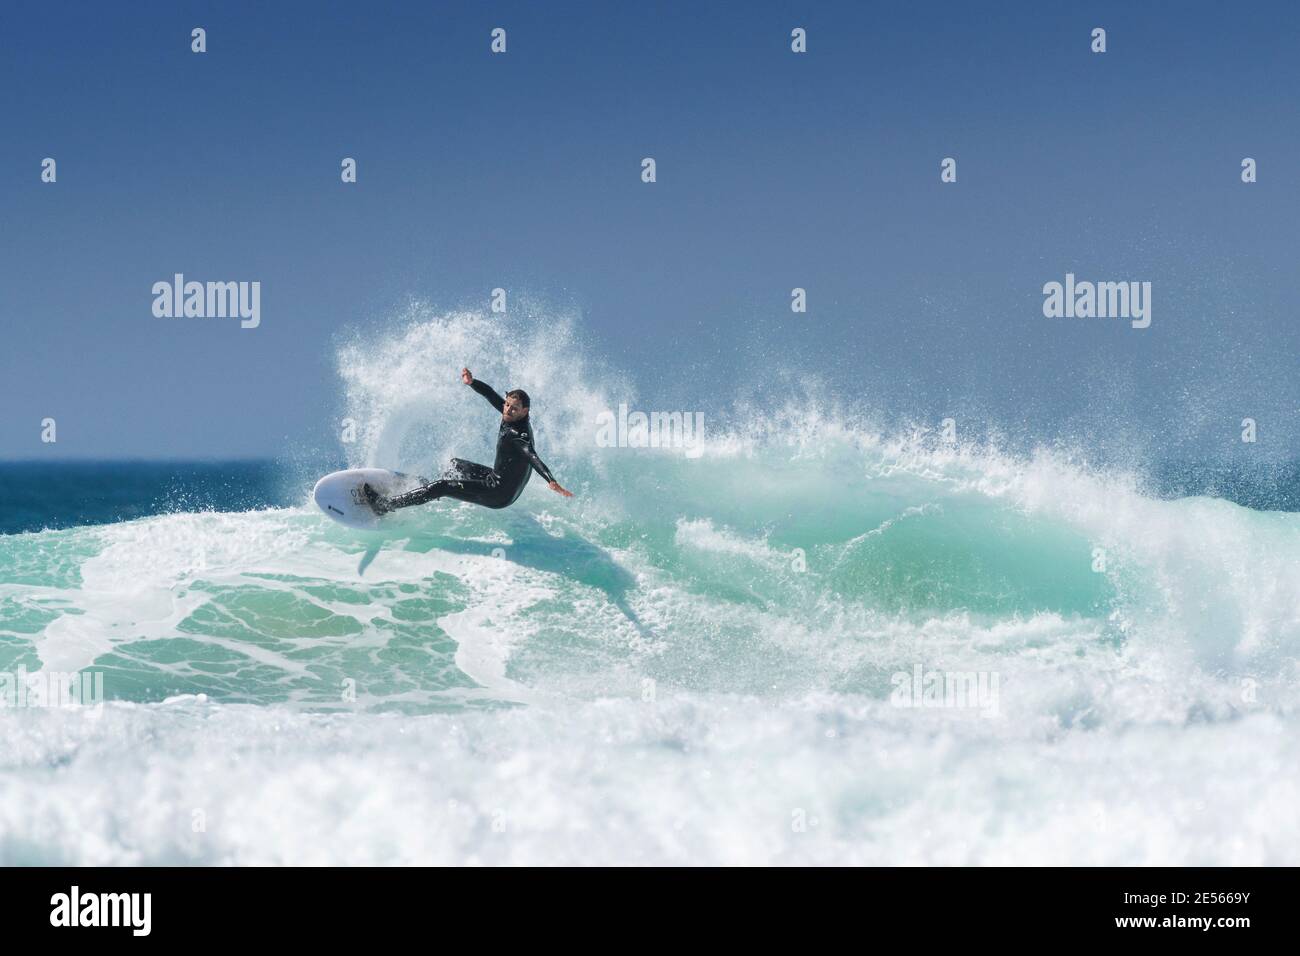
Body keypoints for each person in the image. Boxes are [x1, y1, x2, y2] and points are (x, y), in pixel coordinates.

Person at [364, 368, 573, 513]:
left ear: (524, 411)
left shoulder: (518, 435)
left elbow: (531, 455)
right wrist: (472, 383)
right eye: (507, 404)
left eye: (513, 408)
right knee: (456, 465)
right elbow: (491, 395)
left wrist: (551, 480)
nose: (507, 410)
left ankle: (385, 506)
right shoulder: (511, 415)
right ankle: (428, 490)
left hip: (499, 494)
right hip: (496, 478)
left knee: (443, 486)